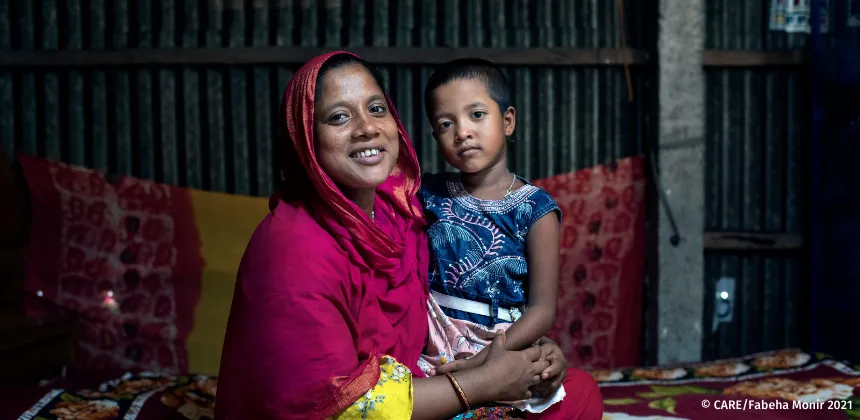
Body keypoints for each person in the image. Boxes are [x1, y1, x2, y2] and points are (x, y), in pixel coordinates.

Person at [215, 51, 603, 420]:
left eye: (377, 109)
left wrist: (529, 353)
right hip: (370, 408)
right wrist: (484, 381)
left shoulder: (399, 209)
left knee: (579, 391)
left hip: (441, 372)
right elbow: (338, 405)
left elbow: (535, 308)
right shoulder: (292, 247)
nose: (367, 128)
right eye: (338, 117)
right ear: (305, 137)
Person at [416, 58, 563, 413]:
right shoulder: (427, 193)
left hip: (500, 340)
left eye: (477, 115)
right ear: (436, 137)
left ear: (507, 120)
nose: (462, 132)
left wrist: (489, 357)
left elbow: (542, 309)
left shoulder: (536, 209)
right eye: (445, 123)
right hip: (431, 335)